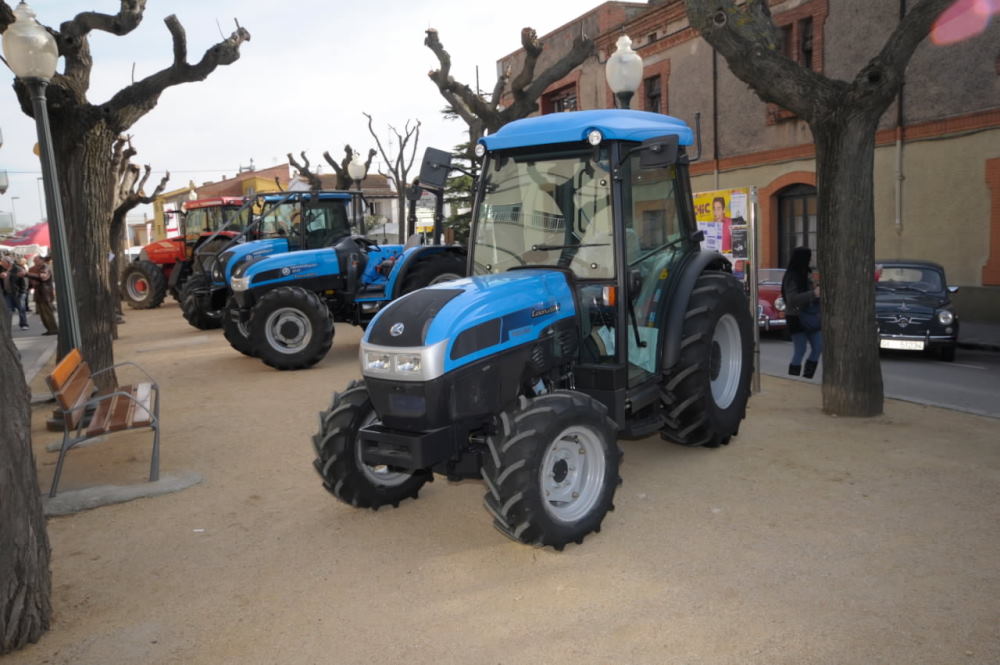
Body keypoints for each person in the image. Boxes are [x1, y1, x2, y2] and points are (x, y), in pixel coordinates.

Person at [781, 246, 822, 379]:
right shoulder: (792, 276)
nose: (811, 260)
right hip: (796, 317)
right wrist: (813, 293)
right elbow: (792, 299)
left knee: (818, 346)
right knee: (800, 349)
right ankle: (794, 379)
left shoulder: (807, 273)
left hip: (811, 316)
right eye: (809, 257)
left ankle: (807, 377)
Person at [26, 254, 58, 335]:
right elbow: (35, 280)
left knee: (47, 313)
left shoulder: (45, 267)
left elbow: (42, 277)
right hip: (40, 293)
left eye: (36, 260)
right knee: (43, 314)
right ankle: (50, 329)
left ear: (41, 260)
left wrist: (27, 274)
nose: (35, 262)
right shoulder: (37, 268)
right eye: (34, 261)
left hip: (45, 293)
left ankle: (53, 329)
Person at [0, 254, 30, 330]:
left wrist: (22, 291)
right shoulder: (3, 269)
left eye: (3, 262)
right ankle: (7, 325)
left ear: (8, 263)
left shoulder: (18, 269)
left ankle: (24, 324)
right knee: (8, 310)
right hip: (7, 292)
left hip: (18, 293)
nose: (2, 264)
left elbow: (24, 281)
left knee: (21, 309)